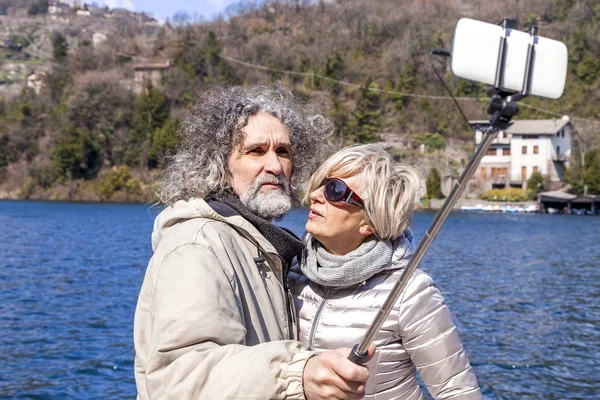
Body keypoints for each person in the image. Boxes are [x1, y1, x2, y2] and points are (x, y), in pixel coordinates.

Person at [133, 84, 375, 400]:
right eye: (256, 151)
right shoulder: (198, 246)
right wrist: (297, 374)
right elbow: (180, 380)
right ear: (219, 166)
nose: (274, 166)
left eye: (283, 152)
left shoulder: (265, 246)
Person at [289, 144, 483, 399]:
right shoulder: (289, 269)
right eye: (320, 183)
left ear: (370, 222)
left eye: (334, 190)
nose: (314, 195)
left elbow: (457, 391)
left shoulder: (410, 293)